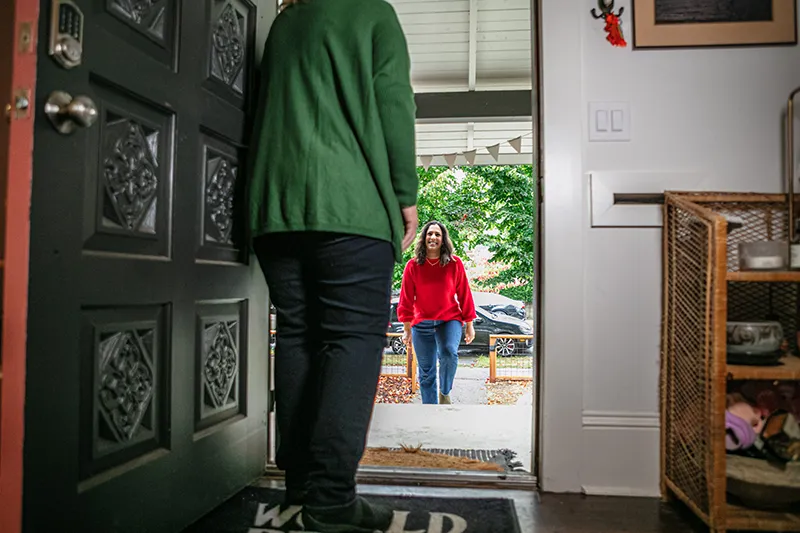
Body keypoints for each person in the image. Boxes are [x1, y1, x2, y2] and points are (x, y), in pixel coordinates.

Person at [247, 0, 418, 531]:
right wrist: (405, 194)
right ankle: (331, 503)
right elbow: (394, 105)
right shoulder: (373, 14)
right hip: (351, 208)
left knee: (298, 335)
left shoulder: (286, 21)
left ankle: (300, 488)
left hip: (276, 209)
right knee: (351, 341)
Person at [397, 221, 477, 405]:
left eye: (437, 234)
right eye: (430, 234)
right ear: (424, 238)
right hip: (421, 323)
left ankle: (445, 392)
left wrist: (469, 325)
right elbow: (406, 299)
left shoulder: (454, 264)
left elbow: (464, 294)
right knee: (426, 373)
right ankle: (430, 413)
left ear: (443, 240)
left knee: (449, 351)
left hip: (449, 320)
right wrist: (407, 328)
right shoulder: (413, 266)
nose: (433, 237)